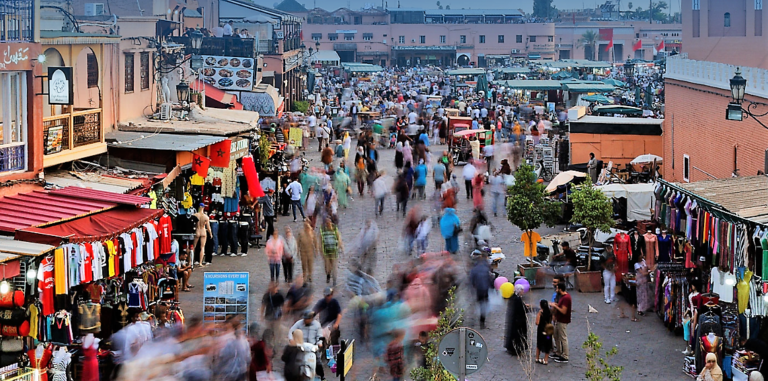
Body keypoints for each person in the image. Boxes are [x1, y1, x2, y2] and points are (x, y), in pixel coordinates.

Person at [470, 252, 493, 329]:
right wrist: (492, 287)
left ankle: (474, 319)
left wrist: (473, 286)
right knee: (484, 304)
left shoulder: (474, 269)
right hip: (485, 288)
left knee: (479, 303)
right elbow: (490, 279)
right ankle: (482, 321)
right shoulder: (486, 268)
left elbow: (471, 279)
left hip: (478, 289)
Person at [549, 282, 571, 363]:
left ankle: (565, 355)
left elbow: (563, 311)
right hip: (558, 319)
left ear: (560, 289)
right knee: (556, 336)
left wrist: (555, 306)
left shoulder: (566, 298)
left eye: (557, 288)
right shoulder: (562, 297)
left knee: (563, 338)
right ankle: (558, 352)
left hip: (563, 320)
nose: (556, 290)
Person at [504, 284, 528, 355]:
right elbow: (521, 310)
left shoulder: (513, 297)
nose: (523, 291)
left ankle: (512, 348)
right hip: (519, 322)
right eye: (522, 290)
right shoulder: (517, 299)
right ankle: (517, 349)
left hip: (514, 321)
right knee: (518, 336)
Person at [319, 219, 342, 285]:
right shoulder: (323, 230)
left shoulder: (334, 229)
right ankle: (328, 274)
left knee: (334, 265)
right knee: (327, 265)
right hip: (326, 251)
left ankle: (334, 279)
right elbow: (320, 240)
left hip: (334, 251)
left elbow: (339, 238)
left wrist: (340, 246)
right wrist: (320, 250)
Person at [536, 299, 554, 365]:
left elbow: (537, 322)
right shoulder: (550, 312)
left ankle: (537, 358)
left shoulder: (541, 313)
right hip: (548, 331)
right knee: (548, 343)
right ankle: (545, 360)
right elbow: (552, 320)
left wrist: (538, 314)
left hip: (541, 331)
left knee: (539, 343)